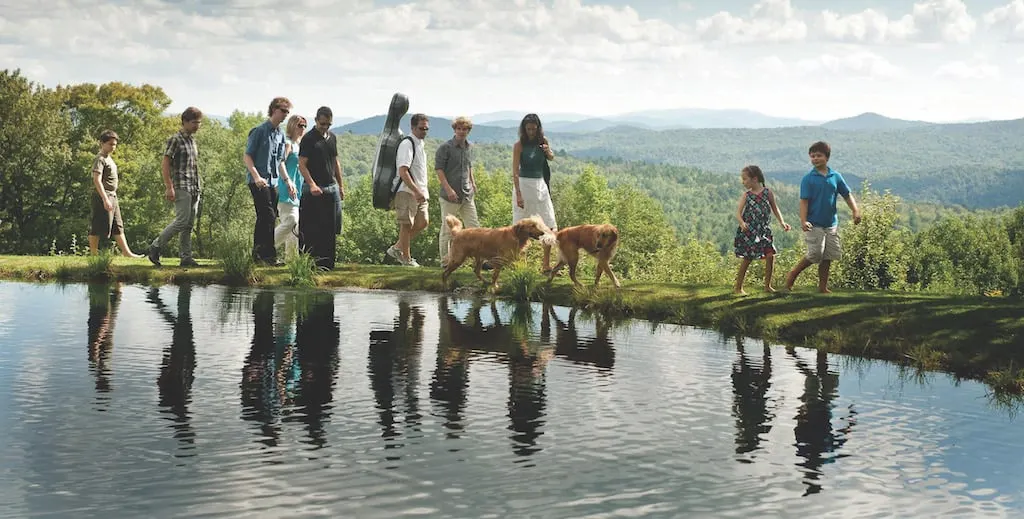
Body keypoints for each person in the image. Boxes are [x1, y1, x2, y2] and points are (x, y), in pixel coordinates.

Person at [784, 141, 862, 293]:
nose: (815, 159)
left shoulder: (836, 176)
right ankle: (792, 276)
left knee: (828, 255)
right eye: (812, 156)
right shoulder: (808, 179)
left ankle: (823, 288)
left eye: (818, 156)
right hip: (813, 223)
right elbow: (804, 201)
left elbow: (847, 195)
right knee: (815, 254)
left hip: (831, 223)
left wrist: (855, 211)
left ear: (827, 158)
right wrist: (803, 220)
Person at [244, 97, 297, 266]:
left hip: (273, 181)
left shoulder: (280, 134)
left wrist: (287, 180)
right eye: (283, 111)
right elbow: (247, 156)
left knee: (271, 217)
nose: (285, 115)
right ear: (274, 109)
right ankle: (262, 255)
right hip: (258, 180)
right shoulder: (259, 131)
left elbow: (280, 161)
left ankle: (266, 256)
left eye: (287, 113)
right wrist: (256, 176)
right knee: (266, 215)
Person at [148, 107, 203, 268]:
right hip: (180, 185)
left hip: (194, 186)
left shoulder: (192, 140)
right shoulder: (175, 139)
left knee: (189, 225)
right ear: (185, 122)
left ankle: (186, 257)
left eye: (199, 123)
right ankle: (155, 247)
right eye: (194, 122)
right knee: (181, 221)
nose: (197, 126)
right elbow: (165, 163)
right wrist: (168, 186)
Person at [298, 106, 345, 270]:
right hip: (313, 190)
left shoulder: (332, 138)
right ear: (316, 120)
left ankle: (327, 264)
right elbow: (302, 165)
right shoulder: (309, 139)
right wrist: (311, 184)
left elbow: (335, 162)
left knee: (329, 229)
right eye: (323, 124)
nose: (325, 127)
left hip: (330, 188)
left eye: (328, 124)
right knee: (311, 229)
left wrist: (340, 185)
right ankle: (309, 264)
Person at [733, 165, 790, 295]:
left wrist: (782, 222)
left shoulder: (767, 192)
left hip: (764, 230)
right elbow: (738, 213)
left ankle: (767, 286)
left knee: (770, 255)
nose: (743, 182)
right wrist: (742, 223)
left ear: (755, 179)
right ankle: (738, 288)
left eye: (745, 179)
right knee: (747, 258)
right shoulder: (747, 195)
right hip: (750, 231)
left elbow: (775, 209)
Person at [435, 115, 484, 268]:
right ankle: (446, 262)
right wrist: (448, 189)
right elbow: (439, 170)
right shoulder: (445, 148)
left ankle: (478, 261)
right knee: (447, 231)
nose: (461, 132)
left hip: (467, 194)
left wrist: (473, 183)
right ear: (454, 129)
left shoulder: (469, 147)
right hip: (449, 196)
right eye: (459, 129)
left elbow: (468, 166)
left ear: (468, 130)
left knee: (474, 228)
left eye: (464, 129)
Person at [512, 113, 557, 273]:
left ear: (538, 128)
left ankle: (546, 264)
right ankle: (521, 264)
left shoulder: (542, 141)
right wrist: (518, 193)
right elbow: (515, 170)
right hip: (524, 185)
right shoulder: (519, 145)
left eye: (534, 128)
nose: (531, 131)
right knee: (521, 227)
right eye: (528, 128)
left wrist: (547, 150)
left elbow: (551, 157)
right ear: (524, 129)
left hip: (540, 184)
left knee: (549, 224)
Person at [88, 130, 143, 257]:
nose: (113, 147)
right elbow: (96, 179)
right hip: (103, 196)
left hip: (112, 195)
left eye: (114, 144)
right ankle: (93, 254)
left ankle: (127, 253)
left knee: (117, 225)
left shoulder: (109, 158)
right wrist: (104, 198)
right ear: (102, 143)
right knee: (97, 224)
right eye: (110, 144)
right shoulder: (100, 159)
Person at [386, 113, 430, 267]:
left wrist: (422, 191)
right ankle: (406, 258)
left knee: (423, 222)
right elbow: (403, 170)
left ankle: (397, 248)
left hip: (421, 191)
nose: (424, 131)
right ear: (412, 127)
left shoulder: (420, 144)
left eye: (426, 129)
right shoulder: (407, 144)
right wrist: (416, 190)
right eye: (421, 128)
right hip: (406, 190)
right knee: (406, 224)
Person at [274, 114, 307, 260]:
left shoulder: (300, 146)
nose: (303, 128)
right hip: (285, 188)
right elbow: (280, 163)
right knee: (291, 221)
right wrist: (288, 181)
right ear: (292, 126)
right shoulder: (288, 143)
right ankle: (265, 248)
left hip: (297, 190)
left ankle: (291, 259)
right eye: (300, 125)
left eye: (305, 126)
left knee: (296, 226)